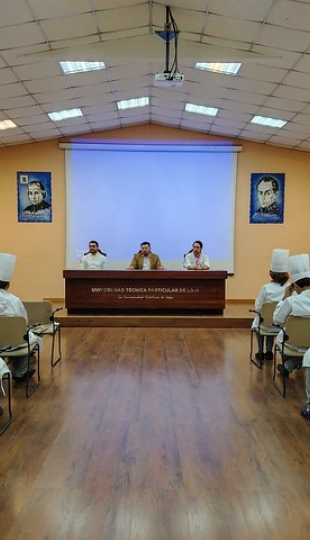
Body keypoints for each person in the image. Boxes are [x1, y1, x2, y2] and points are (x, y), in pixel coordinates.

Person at [0, 253, 39, 382]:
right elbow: (23, 322)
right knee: (27, 336)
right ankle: (20, 371)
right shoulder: (13, 300)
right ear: (8, 285)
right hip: (11, 341)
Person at [273, 254, 310, 383]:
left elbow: (276, 320)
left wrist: (284, 298)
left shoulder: (291, 301)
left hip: (293, 344)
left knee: (284, 338)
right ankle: (288, 366)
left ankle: (287, 366)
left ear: (297, 287)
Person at [251, 248, 290, 362]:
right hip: (283, 325)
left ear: (271, 273)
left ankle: (260, 350)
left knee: (260, 322)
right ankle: (269, 351)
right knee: (271, 323)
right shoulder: (290, 287)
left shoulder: (266, 288)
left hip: (266, 323)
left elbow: (258, 307)